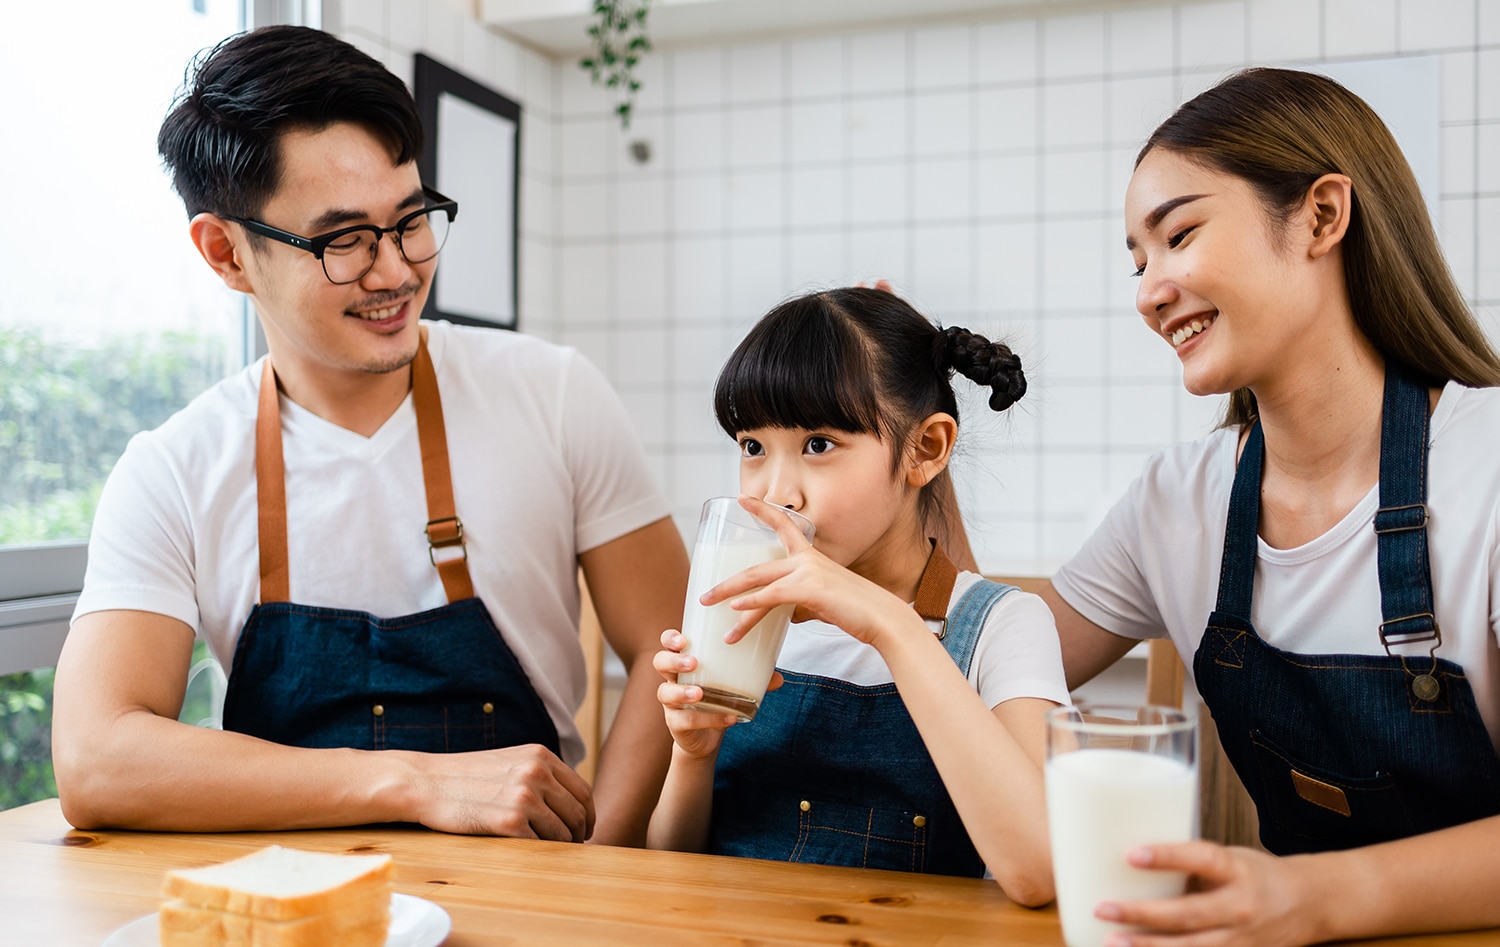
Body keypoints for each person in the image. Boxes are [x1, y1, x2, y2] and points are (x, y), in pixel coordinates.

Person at [51, 25, 687, 847]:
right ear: (226, 253)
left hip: (538, 885)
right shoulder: (173, 470)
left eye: (412, 220)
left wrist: (600, 862)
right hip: (281, 901)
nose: (395, 271)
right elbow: (95, 757)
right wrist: (415, 779)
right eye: (343, 239)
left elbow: (672, 654)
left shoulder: (553, 393)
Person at [1039, 67, 1500, 945]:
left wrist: (1318, 896)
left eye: (1178, 236)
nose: (1147, 290)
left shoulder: (1492, 472)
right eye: (1138, 261)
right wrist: (888, 440)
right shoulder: (1173, 503)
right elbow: (999, 657)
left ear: (1323, 216)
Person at [646, 287, 1068, 907]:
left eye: (818, 445)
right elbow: (670, 873)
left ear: (925, 450)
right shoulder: (745, 618)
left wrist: (890, 625)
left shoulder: (1002, 626)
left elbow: (1044, 870)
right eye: (752, 447)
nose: (778, 493)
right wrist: (693, 753)